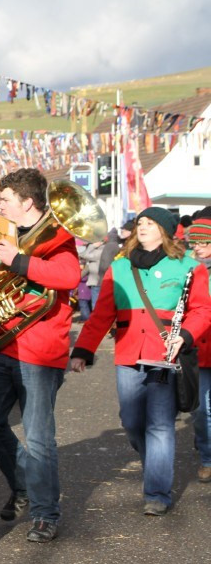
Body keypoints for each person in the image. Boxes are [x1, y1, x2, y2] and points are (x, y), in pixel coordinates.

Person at [71, 208, 211, 515]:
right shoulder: (120, 268)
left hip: (165, 354)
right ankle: (155, 466)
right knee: (133, 423)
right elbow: (103, 313)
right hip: (128, 352)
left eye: (150, 223)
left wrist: (185, 336)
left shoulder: (188, 267)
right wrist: (82, 350)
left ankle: (158, 493)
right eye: (140, 223)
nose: (143, 227)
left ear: (166, 229)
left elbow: (202, 310)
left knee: (160, 426)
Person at [0, 169, 79, 543]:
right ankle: (25, 485)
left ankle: (45, 512)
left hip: (39, 349)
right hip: (1, 344)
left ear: (26, 202)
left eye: (3, 200)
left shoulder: (59, 236)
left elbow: (68, 277)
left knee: (38, 436)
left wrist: (19, 261)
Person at [189, 213, 211, 483]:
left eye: (203, 242)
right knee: (201, 410)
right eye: (194, 243)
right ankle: (207, 458)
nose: (197, 247)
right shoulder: (189, 270)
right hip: (199, 350)